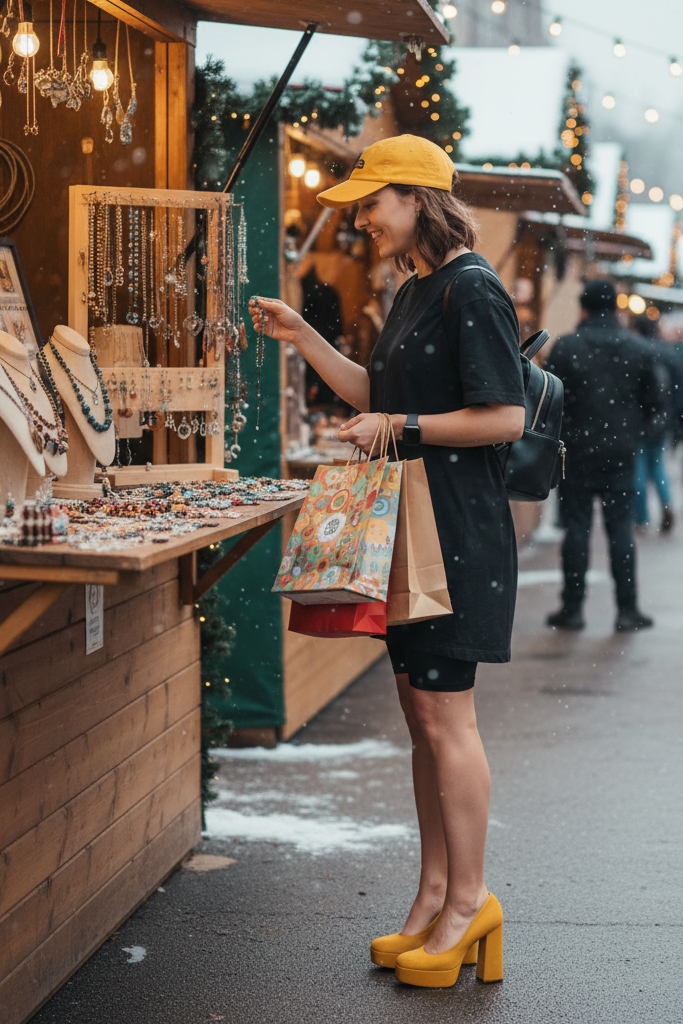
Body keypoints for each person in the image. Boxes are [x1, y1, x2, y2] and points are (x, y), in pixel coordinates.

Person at [249, 134, 526, 989]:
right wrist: (301, 336)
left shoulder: (471, 288)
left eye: (372, 202)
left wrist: (400, 430)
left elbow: (503, 418)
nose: (361, 219)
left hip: (456, 533)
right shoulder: (415, 290)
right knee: (421, 723)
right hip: (413, 531)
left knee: (448, 723)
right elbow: (379, 395)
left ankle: (470, 900)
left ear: (417, 198)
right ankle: (433, 898)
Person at [546, 280, 661, 632]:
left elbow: (550, 401)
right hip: (621, 454)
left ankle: (572, 608)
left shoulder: (566, 347)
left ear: (583, 308)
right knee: (621, 531)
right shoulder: (638, 348)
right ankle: (627, 610)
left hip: (577, 452)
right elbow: (656, 402)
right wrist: (633, 432)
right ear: (616, 308)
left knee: (576, 529)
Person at [631, 313, 683, 534]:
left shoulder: (635, 351)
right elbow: (679, 389)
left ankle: (641, 519)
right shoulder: (669, 352)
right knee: (658, 465)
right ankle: (666, 504)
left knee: (639, 468)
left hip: (638, 419)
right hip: (663, 419)